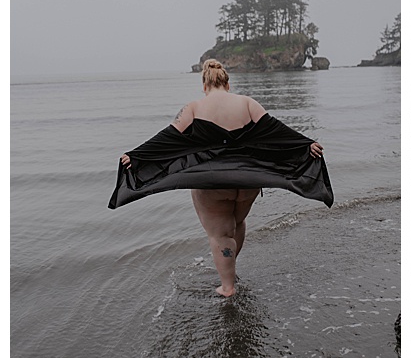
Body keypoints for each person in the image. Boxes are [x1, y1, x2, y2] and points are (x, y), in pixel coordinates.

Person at [111, 59, 331, 297]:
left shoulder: (194, 108)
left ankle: (227, 287)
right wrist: (306, 145)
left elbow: (167, 138)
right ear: (228, 83)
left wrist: (137, 156)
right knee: (237, 224)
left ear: (204, 85)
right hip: (249, 180)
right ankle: (230, 270)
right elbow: (277, 130)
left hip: (212, 183)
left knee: (220, 234)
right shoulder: (247, 103)